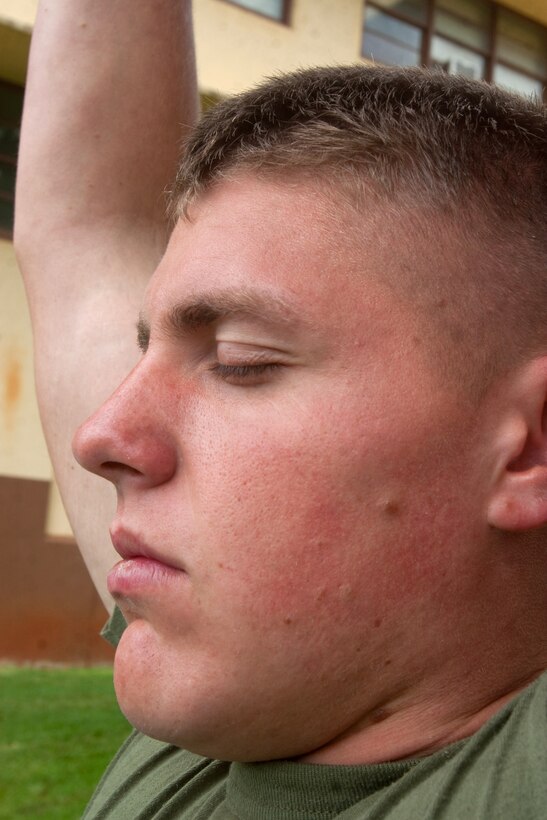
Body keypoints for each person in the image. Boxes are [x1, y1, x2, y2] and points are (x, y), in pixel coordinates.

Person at [15, 1, 546, 818]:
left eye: (240, 363)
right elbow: (88, 226)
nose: (102, 436)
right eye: (141, 348)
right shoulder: (243, 677)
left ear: (529, 446)